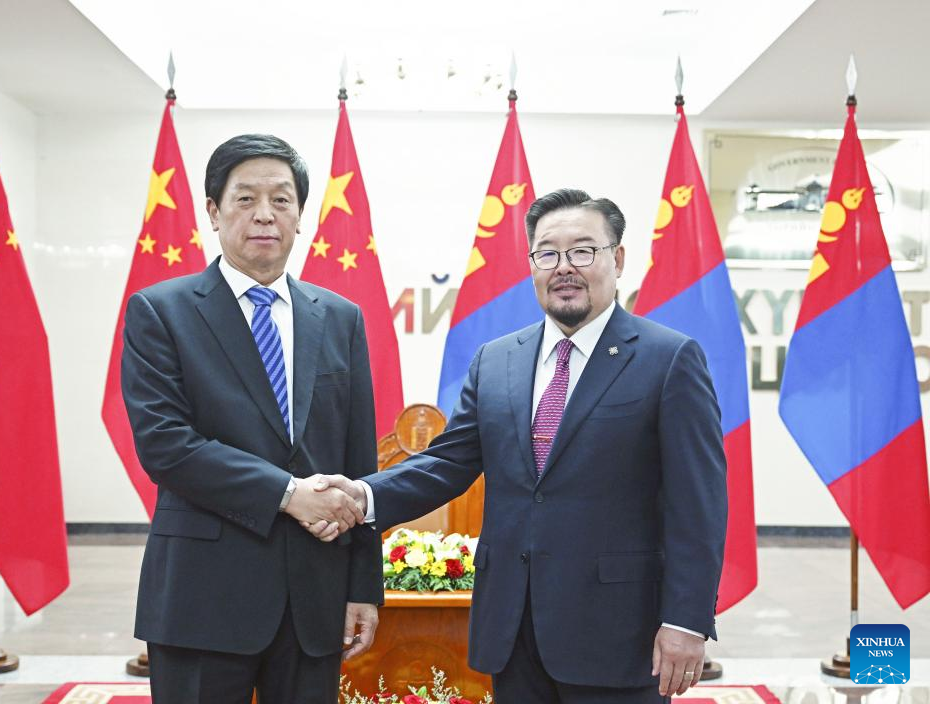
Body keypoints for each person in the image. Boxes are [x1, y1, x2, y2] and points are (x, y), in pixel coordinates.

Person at [309, 189, 728, 703]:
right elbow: (446, 463)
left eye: (583, 251)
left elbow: (698, 503)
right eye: (547, 253)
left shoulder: (669, 359)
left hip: (619, 634)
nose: (564, 267)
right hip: (512, 632)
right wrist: (361, 495)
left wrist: (686, 620)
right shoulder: (497, 360)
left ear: (617, 259)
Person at [121, 134, 382, 704]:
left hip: (314, 597)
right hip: (202, 595)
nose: (265, 214)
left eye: (281, 199)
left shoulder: (341, 319)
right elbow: (166, 446)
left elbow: (359, 462)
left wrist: (363, 586)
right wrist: (288, 494)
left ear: (300, 216)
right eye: (245, 198)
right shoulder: (160, 312)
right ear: (213, 212)